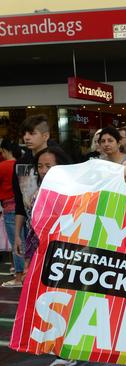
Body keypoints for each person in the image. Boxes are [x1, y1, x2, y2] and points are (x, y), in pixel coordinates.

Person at [4, 115, 51, 288]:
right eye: (25, 133)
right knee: (30, 282)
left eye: (32, 133)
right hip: (30, 230)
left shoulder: (58, 160)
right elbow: (19, 203)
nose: (27, 137)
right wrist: (17, 235)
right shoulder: (20, 165)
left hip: (54, 230)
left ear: (45, 136)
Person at [21, 146, 73, 268]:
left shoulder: (70, 191)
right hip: (37, 246)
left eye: (49, 166)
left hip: (60, 249)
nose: (43, 170)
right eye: (40, 166)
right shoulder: (38, 190)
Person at [0, 139, 21, 287]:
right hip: (22, 207)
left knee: (17, 243)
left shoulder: (3, 166)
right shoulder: (20, 165)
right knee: (23, 241)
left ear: (5, 151)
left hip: (9, 206)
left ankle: (19, 277)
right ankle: (22, 272)